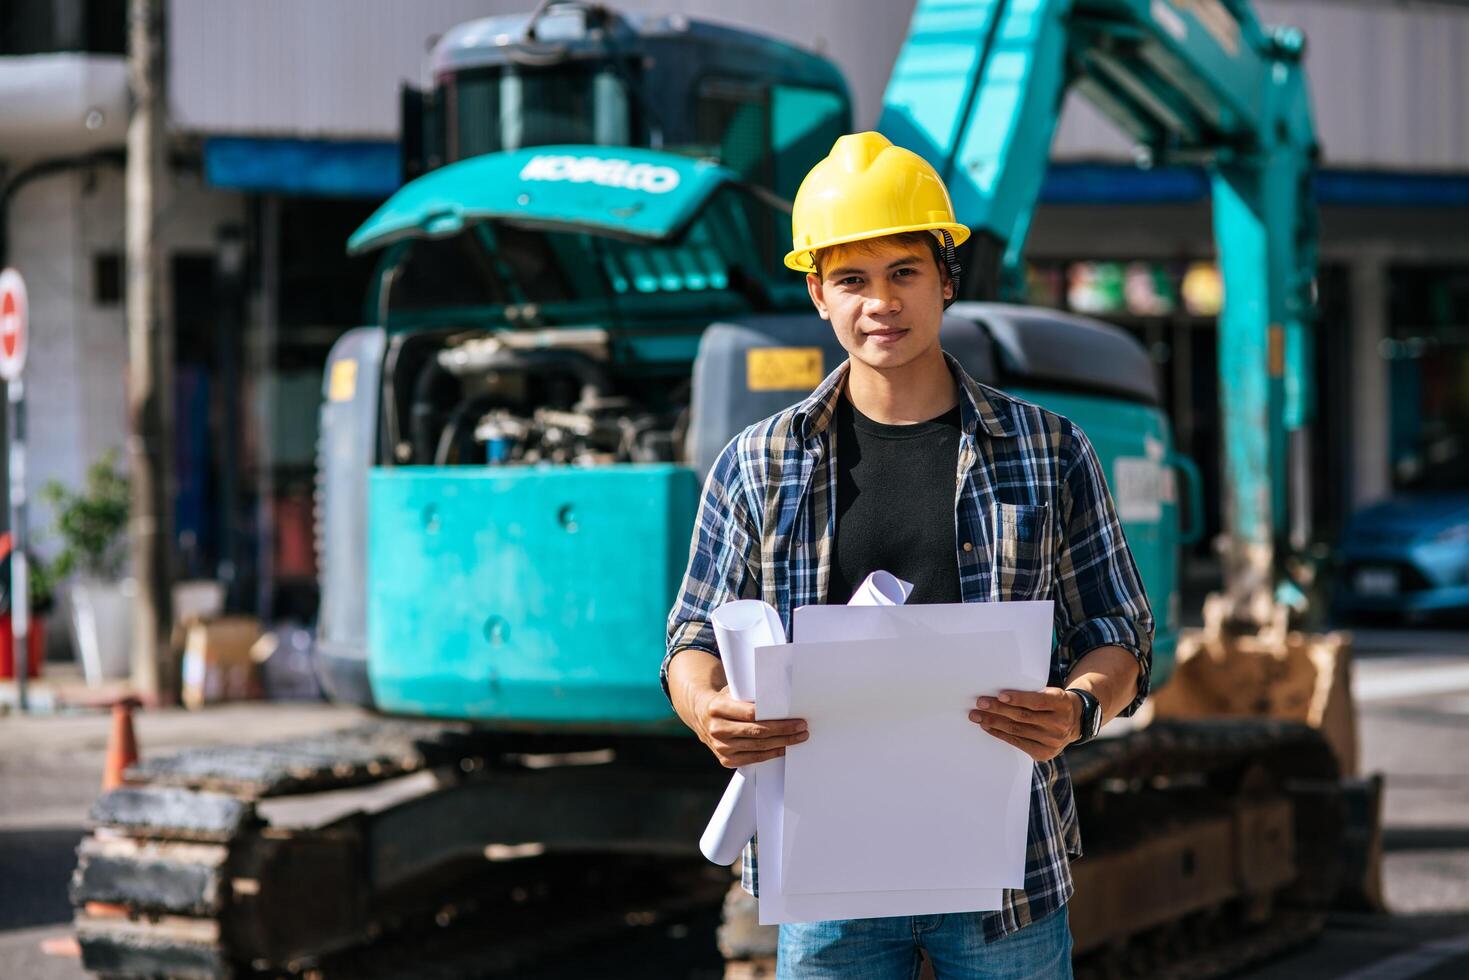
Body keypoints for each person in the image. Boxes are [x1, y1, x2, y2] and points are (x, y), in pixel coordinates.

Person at [661, 131, 1153, 979]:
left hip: (1004, 878)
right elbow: (690, 640)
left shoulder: (1047, 449)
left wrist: (1077, 709)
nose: (878, 302)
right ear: (817, 294)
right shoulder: (757, 462)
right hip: (823, 874)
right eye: (850, 279)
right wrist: (708, 710)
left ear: (944, 283)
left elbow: (1121, 632)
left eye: (903, 273)